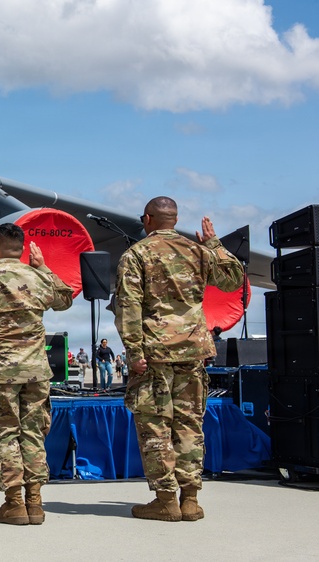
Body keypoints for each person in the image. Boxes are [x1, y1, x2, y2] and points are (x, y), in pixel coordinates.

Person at [114, 197, 243, 522]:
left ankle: (166, 500)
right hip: (193, 352)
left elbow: (128, 308)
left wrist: (133, 352)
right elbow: (233, 279)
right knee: (189, 424)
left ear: (147, 219)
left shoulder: (137, 255)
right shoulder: (198, 252)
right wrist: (214, 243)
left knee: (155, 425)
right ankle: (191, 500)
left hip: (155, 353)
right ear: (174, 219)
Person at [0, 223, 73, 526]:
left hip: (0, 372)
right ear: (23, 249)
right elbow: (65, 298)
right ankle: (35, 503)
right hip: (36, 372)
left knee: (4, 434)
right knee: (33, 433)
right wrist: (44, 267)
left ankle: (14, 504)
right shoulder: (37, 277)